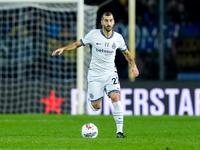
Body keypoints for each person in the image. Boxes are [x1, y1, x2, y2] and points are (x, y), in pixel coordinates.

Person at [52, 11, 139, 138]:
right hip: (95, 74)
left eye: (111, 20)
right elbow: (77, 44)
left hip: (110, 73)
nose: (108, 23)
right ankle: (92, 98)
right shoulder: (93, 34)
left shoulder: (118, 38)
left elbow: (126, 53)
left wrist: (134, 65)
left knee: (116, 97)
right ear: (102, 22)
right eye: (106, 20)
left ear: (113, 22)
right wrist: (64, 48)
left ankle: (119, 132)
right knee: (97, 106)